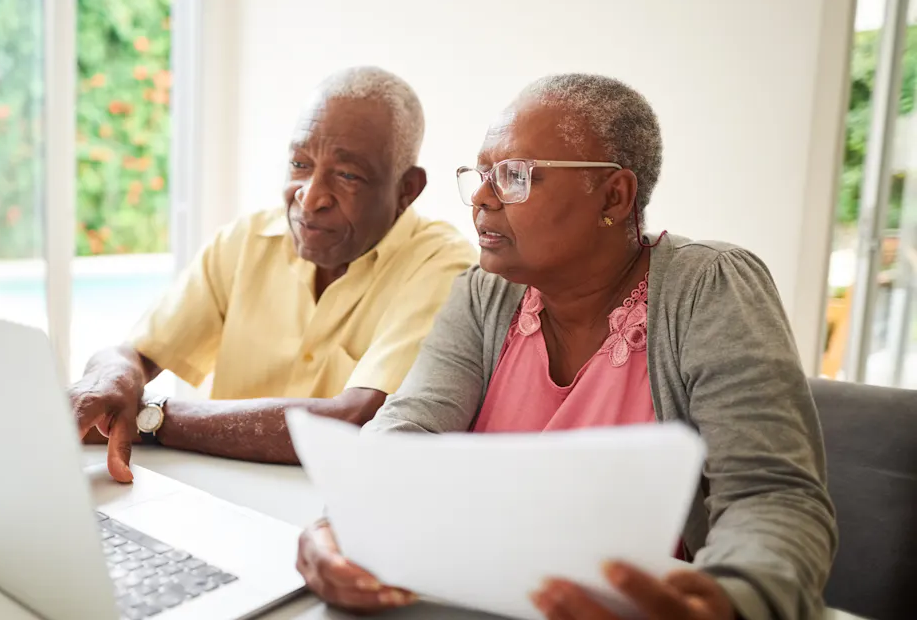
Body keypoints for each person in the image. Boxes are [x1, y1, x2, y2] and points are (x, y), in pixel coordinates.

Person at [296, 74, 836, 620]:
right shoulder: (485, 293)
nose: (482, 197)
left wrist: (728, 601)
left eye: (514, 176)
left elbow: (773, 496)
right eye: (482, 175)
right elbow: (408, 430)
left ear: (614, 196)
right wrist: (337, 525)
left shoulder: (709, 288)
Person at [70, 66, 477, 483]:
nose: (310, 196)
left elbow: (358, 419)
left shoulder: (446, 268)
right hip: (217, 494)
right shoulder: (247, 240)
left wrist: (153, 418)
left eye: (348, 175)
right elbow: (136, 354)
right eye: (300, 164)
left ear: (407, 189)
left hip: (333, 517)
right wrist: (111, 381)